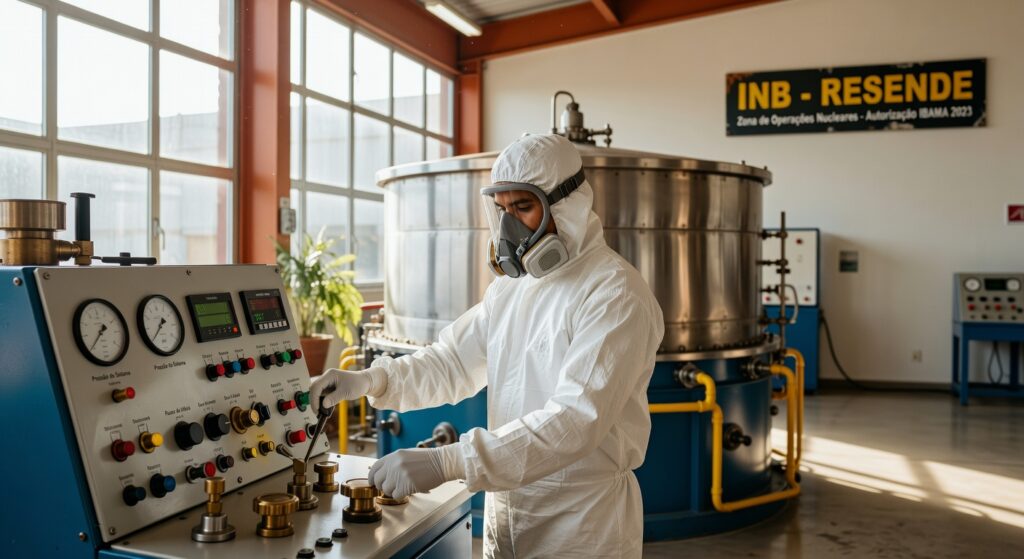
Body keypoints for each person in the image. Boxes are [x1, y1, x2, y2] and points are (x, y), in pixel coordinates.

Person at [311, 133, 664, 558]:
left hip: (581, 524)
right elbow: (451, 363)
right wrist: (372, 380)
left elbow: (575, 421)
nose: (509, 227)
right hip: (509, 509)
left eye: (523, 207)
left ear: (567, 206)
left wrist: (449, 462)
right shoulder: (511, 291)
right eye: (502, 210)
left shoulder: (613, 292)